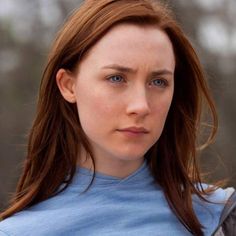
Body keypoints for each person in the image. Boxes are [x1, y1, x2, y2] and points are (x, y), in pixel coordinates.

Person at [0, 0, 235, 235]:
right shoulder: (18, 231)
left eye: (158, 82)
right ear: (68, 85)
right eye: (116, 78)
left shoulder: (219, 218)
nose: (141, 106)